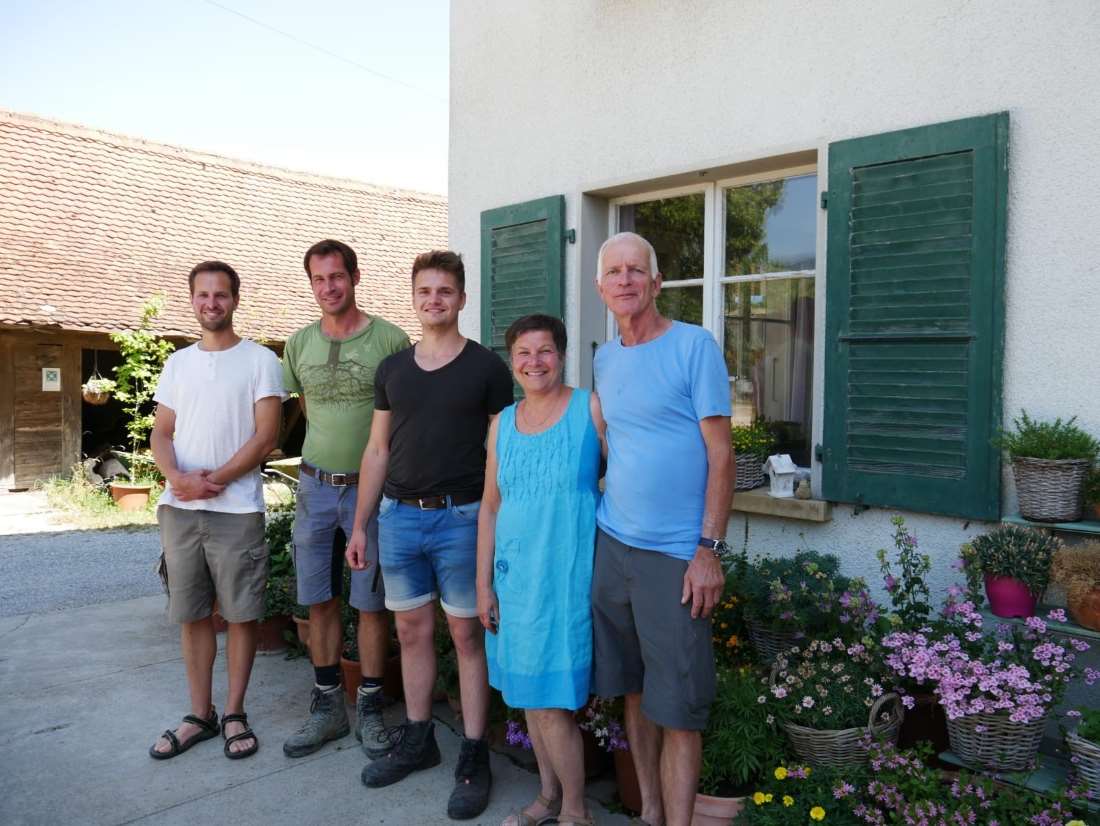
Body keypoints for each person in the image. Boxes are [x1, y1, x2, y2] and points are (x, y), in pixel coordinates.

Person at [345, 249, 513, 820]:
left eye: (445, 291)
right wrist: (362, 524)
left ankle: (472, 752)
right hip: (398, 518)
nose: (434, 300)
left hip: (462, 521)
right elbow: (376, 449)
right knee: (411, 634)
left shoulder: (488, 369)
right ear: (413, 299)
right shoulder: (393, 369)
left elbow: (499, 452)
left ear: (462, 299)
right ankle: (418, 739)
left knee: (467, 639)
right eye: (424, 291)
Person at [592, 232, 734, 826]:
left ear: (656, 282)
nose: (625, 280)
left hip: (676, 556)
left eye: (636, 270)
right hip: (612, 545)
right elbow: (609, 441)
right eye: (614, 271)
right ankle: (649, 811)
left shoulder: (694, 347)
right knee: (632, 689)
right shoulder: (605, 358)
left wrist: (708, 550)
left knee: (677, 708)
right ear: (602, 288)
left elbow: (721, 454)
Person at [148, 260, 286, 761]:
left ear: (235, 299)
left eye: (221, 295)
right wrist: (178, 479)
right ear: (192, 300)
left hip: (236, 511)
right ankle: (199, 714)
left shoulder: (260, 361)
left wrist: (216, 480)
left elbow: (266, 435)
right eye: (202, 295)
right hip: (180, 508)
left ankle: (234, 713)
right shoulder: (177, 364)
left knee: (241, 614)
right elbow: (161, 433)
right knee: (192, 615)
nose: (211, 303)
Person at [281, 239, 410, 759]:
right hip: (314, 486)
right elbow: (303, 406)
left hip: (371, 490)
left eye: (337, 276)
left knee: (371, 602)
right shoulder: (298, 344)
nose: (328, 287)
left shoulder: (391, 341)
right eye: (318, 279)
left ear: (355, 277)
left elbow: (405, 416)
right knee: (318, 599)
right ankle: (329, 706)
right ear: (310, 284)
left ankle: (373, 708)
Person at [476, 314, 605, 826]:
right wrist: (483, 582)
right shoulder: (501, 424)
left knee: (552, 703)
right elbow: (490, 505)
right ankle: (548, 796)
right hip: (514, 579)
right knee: (529, 693)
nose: (535, 361)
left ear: (563, 355)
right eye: (524, 353)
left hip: (566, 580)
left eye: (545, 350)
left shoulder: (588, 409)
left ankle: (576, 813)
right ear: (512, 363)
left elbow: (623, 481)